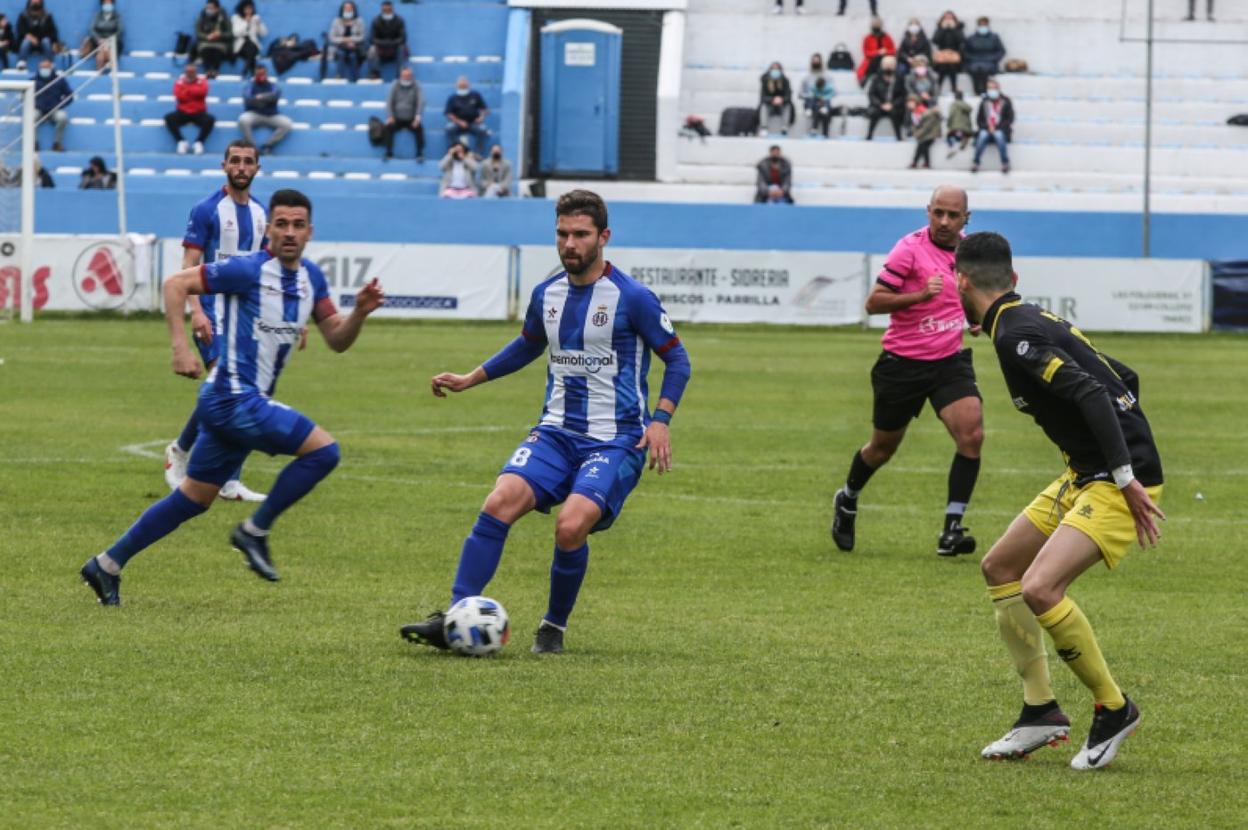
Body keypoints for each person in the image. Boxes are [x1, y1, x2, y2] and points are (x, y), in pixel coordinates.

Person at [400, 189, 692, 655]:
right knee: (500, 501)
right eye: (562, 234)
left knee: (570, 526)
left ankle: (553, 627)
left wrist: (660, 421)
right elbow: (527, 345)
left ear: (604, 237)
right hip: (555, 433)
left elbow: (678, 362)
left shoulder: (633, 298)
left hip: (615, 441)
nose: (569, 243)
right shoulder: (546, 293)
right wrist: (470, 378)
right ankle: (456, 616)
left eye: (580, 234)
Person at [80, 189, 387, 606]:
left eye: (298, 225)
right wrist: (179, 347)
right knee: (324, 452)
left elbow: (336, 338)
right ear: (268, 230)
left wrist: (360, 314)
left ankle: (107, 564)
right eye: (281, 224)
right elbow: (175, 284)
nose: (290, 232)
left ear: (310, 232)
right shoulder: (247, 270)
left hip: (237, 403)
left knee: (193, 499)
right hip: (232, 398)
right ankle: (254, 531)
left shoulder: (311, 277)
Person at [956, 230, 1164, 770]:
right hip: (1087, 472)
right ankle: (1040, 713)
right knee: (1000, 566)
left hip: (1117, 479)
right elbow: (1125, 377)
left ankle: (1114, 709)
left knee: (1041, 587)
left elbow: (1094, 391)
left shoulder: (1013, 337)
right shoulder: (1029, 319)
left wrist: (1125, 472)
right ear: (1013, 280)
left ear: (960, 281)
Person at [831, 185, 982, 557]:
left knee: (972, 435)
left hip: (949, 362)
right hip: (902, 365)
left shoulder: (973, 253)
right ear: (928, 211)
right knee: (882, 449)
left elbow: (970, 298)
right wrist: (919, 296)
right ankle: (848, 499)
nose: (944, 221)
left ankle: (951, 530)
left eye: (952, 215)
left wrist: (978, 318)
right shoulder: (909, 249)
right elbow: (873, 303)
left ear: (967, 218)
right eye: (938, 213)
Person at [163, 138, 271, 505]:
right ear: (224, 165)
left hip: (246, 316)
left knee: (238, 394)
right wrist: (197, 308)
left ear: (257, 168)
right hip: (212, 311)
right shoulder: (207, 209)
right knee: (229, 388)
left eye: (248, 162)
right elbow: (189, 265)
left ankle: (227, 480)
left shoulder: (260, 213)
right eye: (235, 161)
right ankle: (179, 452)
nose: (241, 167)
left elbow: (264, 269)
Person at [238, 64, 291, 154]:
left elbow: (275, 95)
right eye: (259, 74)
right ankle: (252, 147)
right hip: (254, 114)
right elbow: (248, 98)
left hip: (271, 115)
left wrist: (261, 97)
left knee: (286, 124)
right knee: (243, 120)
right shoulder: (250, 86)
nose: (261, 76)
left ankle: (268, 145)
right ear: (255, 74)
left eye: (263, 73)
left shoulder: (272, 86)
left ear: (266, 73)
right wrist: (264, 100)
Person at [164, 62, 215, 155]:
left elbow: (202, 92)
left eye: (192, 71)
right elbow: (179, 96)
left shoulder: (202, 81)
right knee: (169, 118)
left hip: (198, 112)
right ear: (185, 72)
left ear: (196, 72)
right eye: (188, 71)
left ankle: (199, 142)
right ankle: (181, 141)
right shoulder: (179, 81)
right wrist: (193, 91)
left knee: (210, 119)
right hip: (183, 111)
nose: (190, 73)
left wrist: (187, 90)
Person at [383, 65, 425, 161]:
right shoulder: (395, 85)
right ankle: (388, 152)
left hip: (411, 118)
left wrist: (417, 117)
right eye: (405, 75)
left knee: (419, 129)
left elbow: (421, 101)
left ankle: (420, 153)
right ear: (401, 75)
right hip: (397, 118)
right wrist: (390, 116)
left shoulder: (416, 85)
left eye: (409, 75)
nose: (407, 77)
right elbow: (389, 102)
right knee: (388, 128)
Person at [971, 79, 1013, 174]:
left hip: (1001, 129)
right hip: (986, 129)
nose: (992, 90)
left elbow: (1009, 119)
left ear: (998, 89)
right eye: (989, 88)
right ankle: (975, 162)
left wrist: (996, 127)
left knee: (999, 136)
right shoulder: (984, 102)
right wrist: (988, 127)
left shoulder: (1006, 101)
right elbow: (979, 120)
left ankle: (1005, 163)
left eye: (993, 88)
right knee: (982, 136)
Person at [444, 75, 490, 155]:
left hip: (473, 123)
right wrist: (459, 122)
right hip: (457, 124)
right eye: (461, 85)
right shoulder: (452, 98)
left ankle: (477, 153)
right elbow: (449, 114)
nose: (463, 87)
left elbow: (485, 109)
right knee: (449, 128)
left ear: (469, 85)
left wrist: (481, 117)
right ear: (456, 85)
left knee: (483, 130)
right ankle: (453, 151)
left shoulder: (475, 95)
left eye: (464, 85)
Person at [33, 58, 71, 152]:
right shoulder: (33, 81)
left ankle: (57, 143)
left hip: (55, 110)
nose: (44, 69)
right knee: (30, 118)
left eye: (46, 67)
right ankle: (33, 143)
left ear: (51, 68)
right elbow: (24, 96)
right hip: (39, 109)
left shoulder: (60, 80)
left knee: (63, 118)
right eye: (42, 67)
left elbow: (69, 95)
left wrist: (61, 105)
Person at [865, 55, 905, 141]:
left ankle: (899, 137)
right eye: (886, 64)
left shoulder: (900, 78)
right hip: (879, 105)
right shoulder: (876, 78)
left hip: (894, 105)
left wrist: (893, 104)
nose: (888, 66)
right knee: (875, 113)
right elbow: (871, 94)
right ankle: (869, 135)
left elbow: (903, 95)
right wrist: (880, 104)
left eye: (891, 64)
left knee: (895, 114)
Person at [963, 16, 1005, 95]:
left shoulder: (994, 37)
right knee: (975, 69)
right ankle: (977, 90)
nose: (983, 27)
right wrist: (972, 58)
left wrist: (993, 59)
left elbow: (1001, 51)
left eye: (984, 25)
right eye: (981, 25)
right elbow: (965, 52)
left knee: (985, 69)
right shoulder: (971, 38)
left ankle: (986, 90)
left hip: (990, 62)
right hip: (974, 61)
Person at [367, 0, 408, 79]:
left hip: (395, 48)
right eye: (385, 10)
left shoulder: (399, 20)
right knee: (372, 49)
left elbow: (403, 38)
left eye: (389, 10)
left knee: (402, 48)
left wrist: (391, 43)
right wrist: (385, 43)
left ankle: (400, 73)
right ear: (381, 10)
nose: (387, 12)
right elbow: (372, 38)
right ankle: (375, 73)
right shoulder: (376, 21)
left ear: (392, 10)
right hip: (381, 49)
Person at [329, 1, 366, 83]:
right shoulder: (336, 21)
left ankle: (356, 78)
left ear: (354, 9)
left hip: (355, 47)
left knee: (353, 56)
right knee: (341, 54)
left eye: (350, 8)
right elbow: (332, 37)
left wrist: (352, 41)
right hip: (340, 46)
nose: (347, 10)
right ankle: (339, 76)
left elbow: (362, 36)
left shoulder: (359, 21)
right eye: (346, 8)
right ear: (342, 9)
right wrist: (345, 40)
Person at [80, 0, 123, 72]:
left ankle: (112, 73)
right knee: (100, 54)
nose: (107, 5)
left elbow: (120, 30)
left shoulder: (117, 16)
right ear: (102, 4)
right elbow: (92, 29)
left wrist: (110, 40)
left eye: (109, 3)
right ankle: (99, 73)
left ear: (112, 4)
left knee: (110, 52)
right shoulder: (97, 15)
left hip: (113, 41)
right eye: (105, 3)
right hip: (99, 41)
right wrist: (99, 39)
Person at [16, 0, 59, 70]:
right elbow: (20, 30)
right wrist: (29, 37)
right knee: (26, 42)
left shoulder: (47, 15)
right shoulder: (23, 15)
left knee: (46, 41)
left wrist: (54, 42)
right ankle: (22, 62)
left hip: (42, 41)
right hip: (29, 41)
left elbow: (52, 30)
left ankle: (50, 62)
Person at [194, 0, 232, 79]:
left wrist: (220, 35)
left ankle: (215, 70)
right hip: (205, 42)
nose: (209, 10)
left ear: (217, 8)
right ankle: (207, 70)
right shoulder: (201, 18)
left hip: (220, 43)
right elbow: (198, 33)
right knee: (205, 50)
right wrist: (207, 36)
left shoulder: (224, 19)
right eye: (208, 8)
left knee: (217, 51)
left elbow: (229, 34)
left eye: (212, 8)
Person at [931, 10, 964, 94]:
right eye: (946, 18)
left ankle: (954, 87)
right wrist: (943, 29)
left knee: (952, 66)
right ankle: (938, 86)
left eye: (950, 18)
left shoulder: (958, 28)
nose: (948, 20)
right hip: (942, 55)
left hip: (954, 54)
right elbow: (935, 40)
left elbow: (961, 40)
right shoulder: (939, 28)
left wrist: (954, 29)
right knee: (943, 66)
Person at [757, 62, 794, 137]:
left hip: (781, 105)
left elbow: (788, 96)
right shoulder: (765, 81)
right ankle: (764, 128)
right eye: (773, 69)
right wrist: (772, 100)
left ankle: (784, 127)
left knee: (788, 106)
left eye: (777, 69)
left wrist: (782, 100)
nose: (775, 71)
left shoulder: (785, 81)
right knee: (763, 106)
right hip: (770, 105)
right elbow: (763, 97)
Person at [231, 1, 267, 78]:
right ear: (242, 9)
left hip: (253, 44)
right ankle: (252, 73)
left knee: (252, 47)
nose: (248, 11)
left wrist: (259, 23)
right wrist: (246, 23)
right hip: (241, 45)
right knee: (252, 52)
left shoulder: (255, 18)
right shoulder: (236, 18)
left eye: (250, 9)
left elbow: (264, 33)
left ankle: (246, 70)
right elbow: (235, 33)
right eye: (246, 9)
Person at [856, 16, 894, 86]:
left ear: (881, 25)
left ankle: (867, 77)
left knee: (883, 60)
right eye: (875, 24)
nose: (876, 25)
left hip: (886, 58)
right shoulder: (867, 38)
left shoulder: (887, 37)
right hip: (872, 60)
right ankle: (868, 79)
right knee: (876, 58)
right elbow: (866, 52)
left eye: (878, 24)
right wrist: (877, 53)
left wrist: (885, 52)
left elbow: (893, 51)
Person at [799, 53, 828, 135]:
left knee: (822, 106)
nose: (816, 62)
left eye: (817, 61)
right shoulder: (806, 77)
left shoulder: (826, 77)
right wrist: (809, 95)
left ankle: (822, 133)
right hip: (809, 101)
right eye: (814, 60)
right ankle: (814, 128)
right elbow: (800, 93)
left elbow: (831, 91)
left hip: (822, 100)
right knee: (816, 104)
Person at [908, 96, 940, 168]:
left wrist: (917, 134)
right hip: (926, 134)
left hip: (931, 133)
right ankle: (920, 163)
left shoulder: (925, 112)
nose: (909, 104)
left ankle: (917, 163)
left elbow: (926, 126)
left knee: (922, 145)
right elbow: (916, 125)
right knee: (921, 145)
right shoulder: (915, 112)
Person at [945, 89, 973, 157]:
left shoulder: (953, 104)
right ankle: (965, 138)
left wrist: (948, 125)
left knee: (949, 136)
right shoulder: (965, 105)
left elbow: (951, 115)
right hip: (967, 128)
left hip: (956, 127)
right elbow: (970, 110)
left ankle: (952, 148)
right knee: (960, 133)